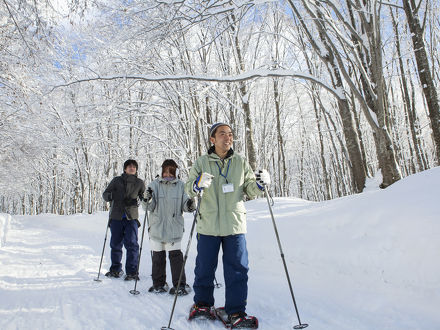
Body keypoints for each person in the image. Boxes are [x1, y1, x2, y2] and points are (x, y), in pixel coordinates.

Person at [185, 123, 271, 328]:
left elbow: (249, 189)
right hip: (208, 225)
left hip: (234, 225)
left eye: (230, 134)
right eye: (222, 134)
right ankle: (203, 304)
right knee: (205, 267)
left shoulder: (240, 162)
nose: (228, 137)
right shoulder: (202, 162)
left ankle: (236, 312)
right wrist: (197, 184)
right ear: (212, 139)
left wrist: (260, 184)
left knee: (238, 269)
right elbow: (189, 188)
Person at [142, 159, 196, 295]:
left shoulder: (181, 186)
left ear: (176, 172)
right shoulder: (154, 185)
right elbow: (148, 207)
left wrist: (190, 204)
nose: (167, 175)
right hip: (157, 227)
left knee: (176, 258)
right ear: (161, 172)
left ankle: (179, 285)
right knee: (158, 258)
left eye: (171, 172)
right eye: (165, 172)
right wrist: (146, 199)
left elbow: (185, 205)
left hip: (173, 228)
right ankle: (158, 284)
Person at [102, 159, 145, 281]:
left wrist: (145, 199)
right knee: (115, 244)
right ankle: (115, 269)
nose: (132, 168)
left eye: (134, 167)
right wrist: (112, 196)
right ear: (125, 169)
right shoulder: (117, 181)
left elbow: (144, 198)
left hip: (131, 217)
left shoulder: (139, 183)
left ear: (136, 169)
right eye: (129, 166)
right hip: (116, 216)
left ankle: (132, 272)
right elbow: (105, 195)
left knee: (132, 245)